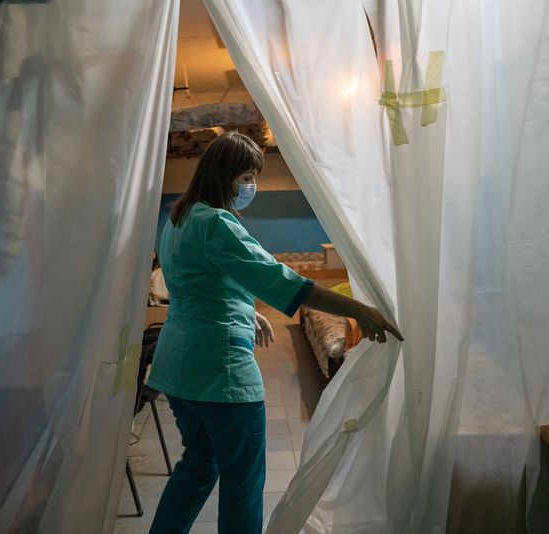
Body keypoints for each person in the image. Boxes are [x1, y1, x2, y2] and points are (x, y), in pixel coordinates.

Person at [146, 132, 402, 533]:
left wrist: (246, 312)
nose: (252, 186)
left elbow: (198, 284)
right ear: (224, 174)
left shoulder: (180, 218)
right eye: (246, 176)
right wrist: (358, 308)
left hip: (178, 367)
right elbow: (280, 279)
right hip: (219, 372)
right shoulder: (217, 223)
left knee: (197, 466)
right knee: (243, 482)